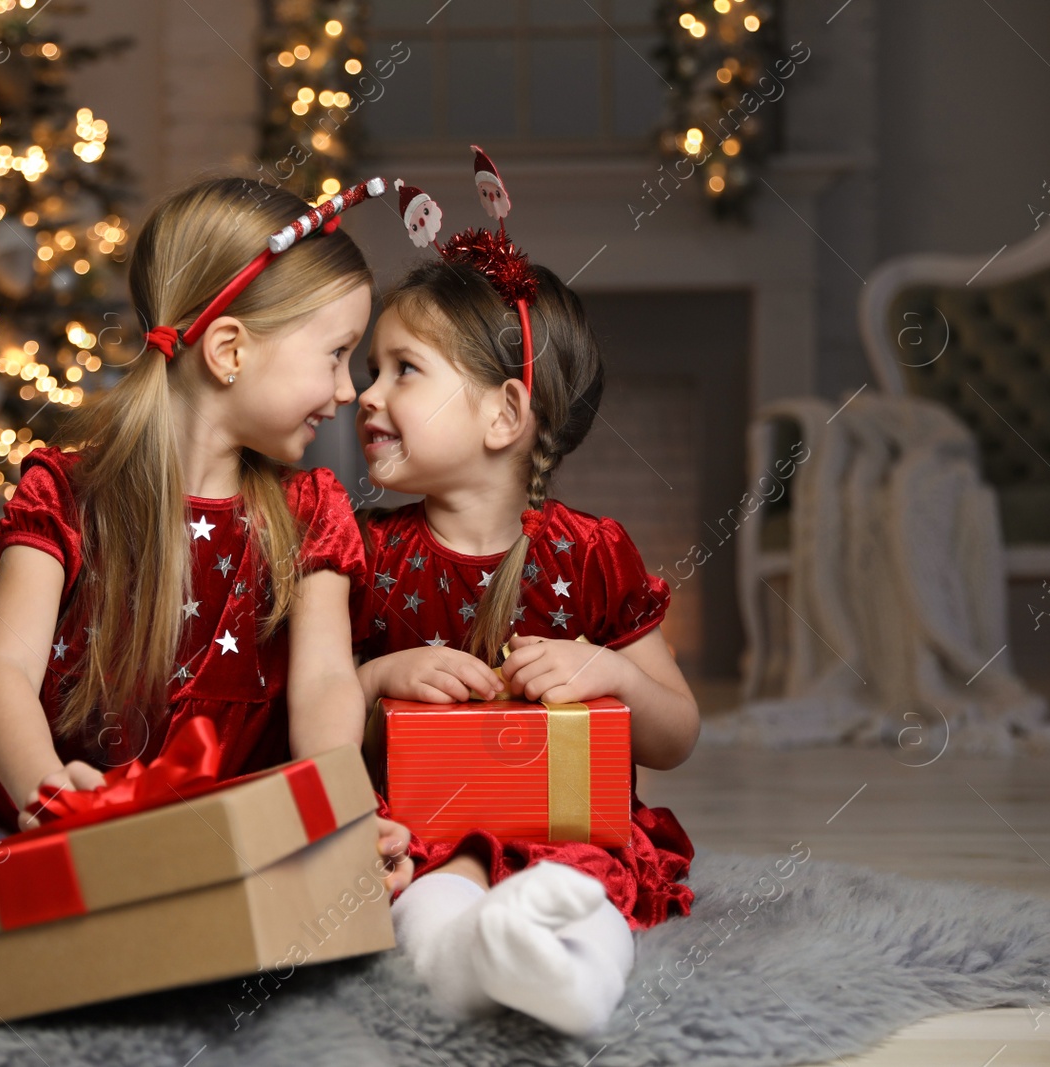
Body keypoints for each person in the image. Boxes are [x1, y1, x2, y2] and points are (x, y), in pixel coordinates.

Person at [0, 175, 414, 912]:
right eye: (337, 354)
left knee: (353, 853)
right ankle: (52, 892)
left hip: (232, 820)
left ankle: (41, 910)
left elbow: (324, 684)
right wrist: (43, 791)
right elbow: (2, 668)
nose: (349, 390)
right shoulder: (64, 490)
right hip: (75, 814)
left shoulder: (312, 510)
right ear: (229, 350)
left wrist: (336, 806)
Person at [350, 149, 699, 1035]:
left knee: (587, 875)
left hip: (567, 818)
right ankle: (468, 958)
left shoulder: (590, 552)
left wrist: (609, 673)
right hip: (420, 823)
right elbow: (303, 708)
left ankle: (564, 967)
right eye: (370, 368)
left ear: (506, 414)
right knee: (430, 882)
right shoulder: (363, 552)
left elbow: (677, 733)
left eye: (404, 370)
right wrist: (380, 677)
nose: (366, 393)